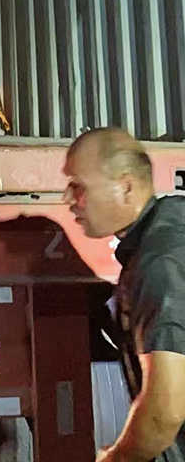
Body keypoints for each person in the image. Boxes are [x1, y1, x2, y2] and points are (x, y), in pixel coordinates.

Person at [64, 127, 185, 461]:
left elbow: (164, 414)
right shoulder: (173, 230)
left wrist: (116, 458)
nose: (68, 199)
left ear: (126, 187)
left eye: (79, 187)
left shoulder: (159, 264)